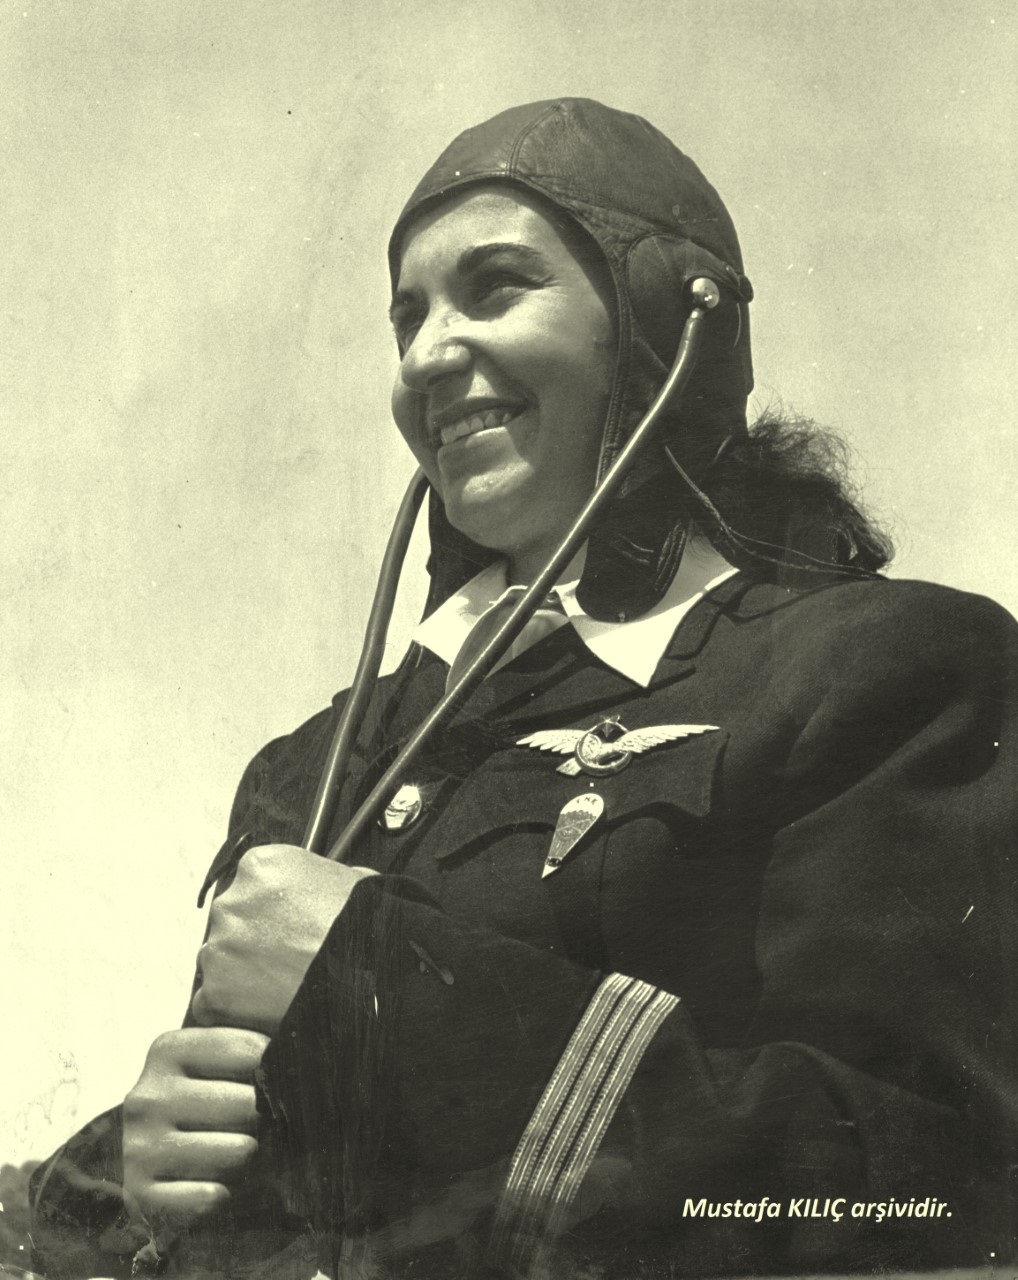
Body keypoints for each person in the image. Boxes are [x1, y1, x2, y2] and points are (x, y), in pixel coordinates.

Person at [30, 98, 1018, 1280]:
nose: (425, 355)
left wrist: (375, 978)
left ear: (660, 323)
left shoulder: (886, 670)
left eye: (494, 288)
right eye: (407, 316)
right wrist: (123, 1173)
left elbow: (928, 1184)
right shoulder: (319, 760)